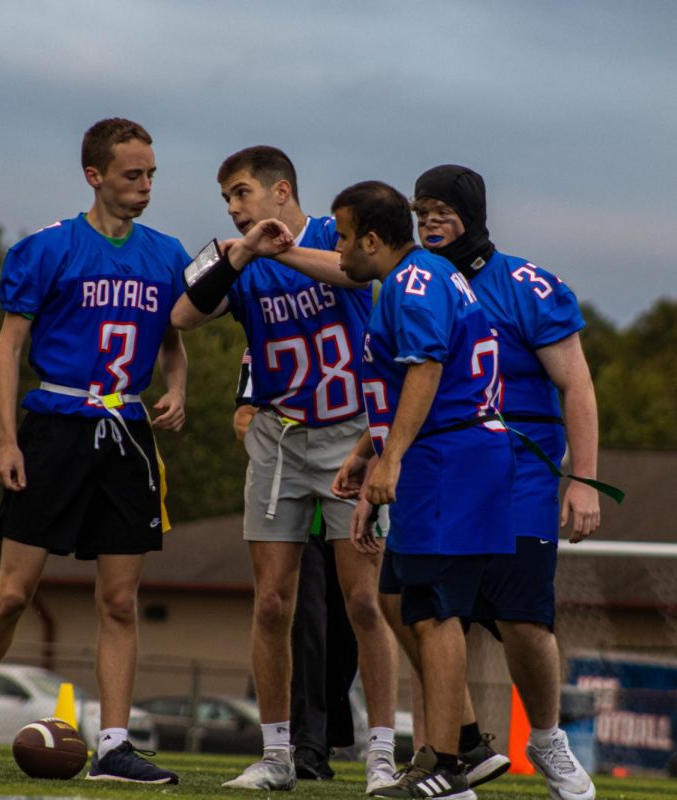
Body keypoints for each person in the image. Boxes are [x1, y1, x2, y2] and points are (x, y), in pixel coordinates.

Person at [0, 118, 187, 784]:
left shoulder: (166, 253)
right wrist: (7, 439)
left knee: (119, 600)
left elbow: (175, 336)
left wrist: (177, 386)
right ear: (94, 176)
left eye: (151, 173)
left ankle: (114, 745)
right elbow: (8, 347)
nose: (145, 186)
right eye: (131, 174)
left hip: (126, 432)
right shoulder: (49, 248)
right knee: (12, 592)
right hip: (55, 425)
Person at [171, 146, 398, 792]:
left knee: (361, 599)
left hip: (349, 435)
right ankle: (277, 753)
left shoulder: (333, 232)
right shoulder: (235, 255)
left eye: (242, 194)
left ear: (281, 191)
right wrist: (242, 254)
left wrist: (281, 250)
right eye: (228, 201)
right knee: (272, 603)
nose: (235, 209)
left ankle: (382, 754)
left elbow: (358, 275)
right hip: (277, 437)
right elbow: (183, 314)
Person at [410, 164, 602, 800]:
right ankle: (446, 752)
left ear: (472, 212)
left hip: (519, 464)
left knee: (524, 618)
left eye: (443, 210)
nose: (431, 222)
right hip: (443, 467)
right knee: (434, 615)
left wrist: (584, 479)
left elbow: (576, 382)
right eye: (422, 212)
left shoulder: (525, 284)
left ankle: (545, 737)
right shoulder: (415, 281)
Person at [330, 180, 515, 800]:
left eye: (344, 236)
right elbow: (404, 381)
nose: (338, 248)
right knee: (392, 597)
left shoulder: (412, 283)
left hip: (449, 456)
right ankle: (466, 741)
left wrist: (394, 460)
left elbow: (428, 368)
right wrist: (368, 454)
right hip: (444, 451)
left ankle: (442, 761)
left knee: (437, 613)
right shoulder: (419, 276)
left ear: (373, 240)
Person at [233, 351, 359, 781]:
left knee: (349, 626)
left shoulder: (352, 328)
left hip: (345, 500)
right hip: (298, 519)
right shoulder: (271, 334)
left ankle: (329, 732)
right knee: (305, 625)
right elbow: (243, 416)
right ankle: (304, 743)